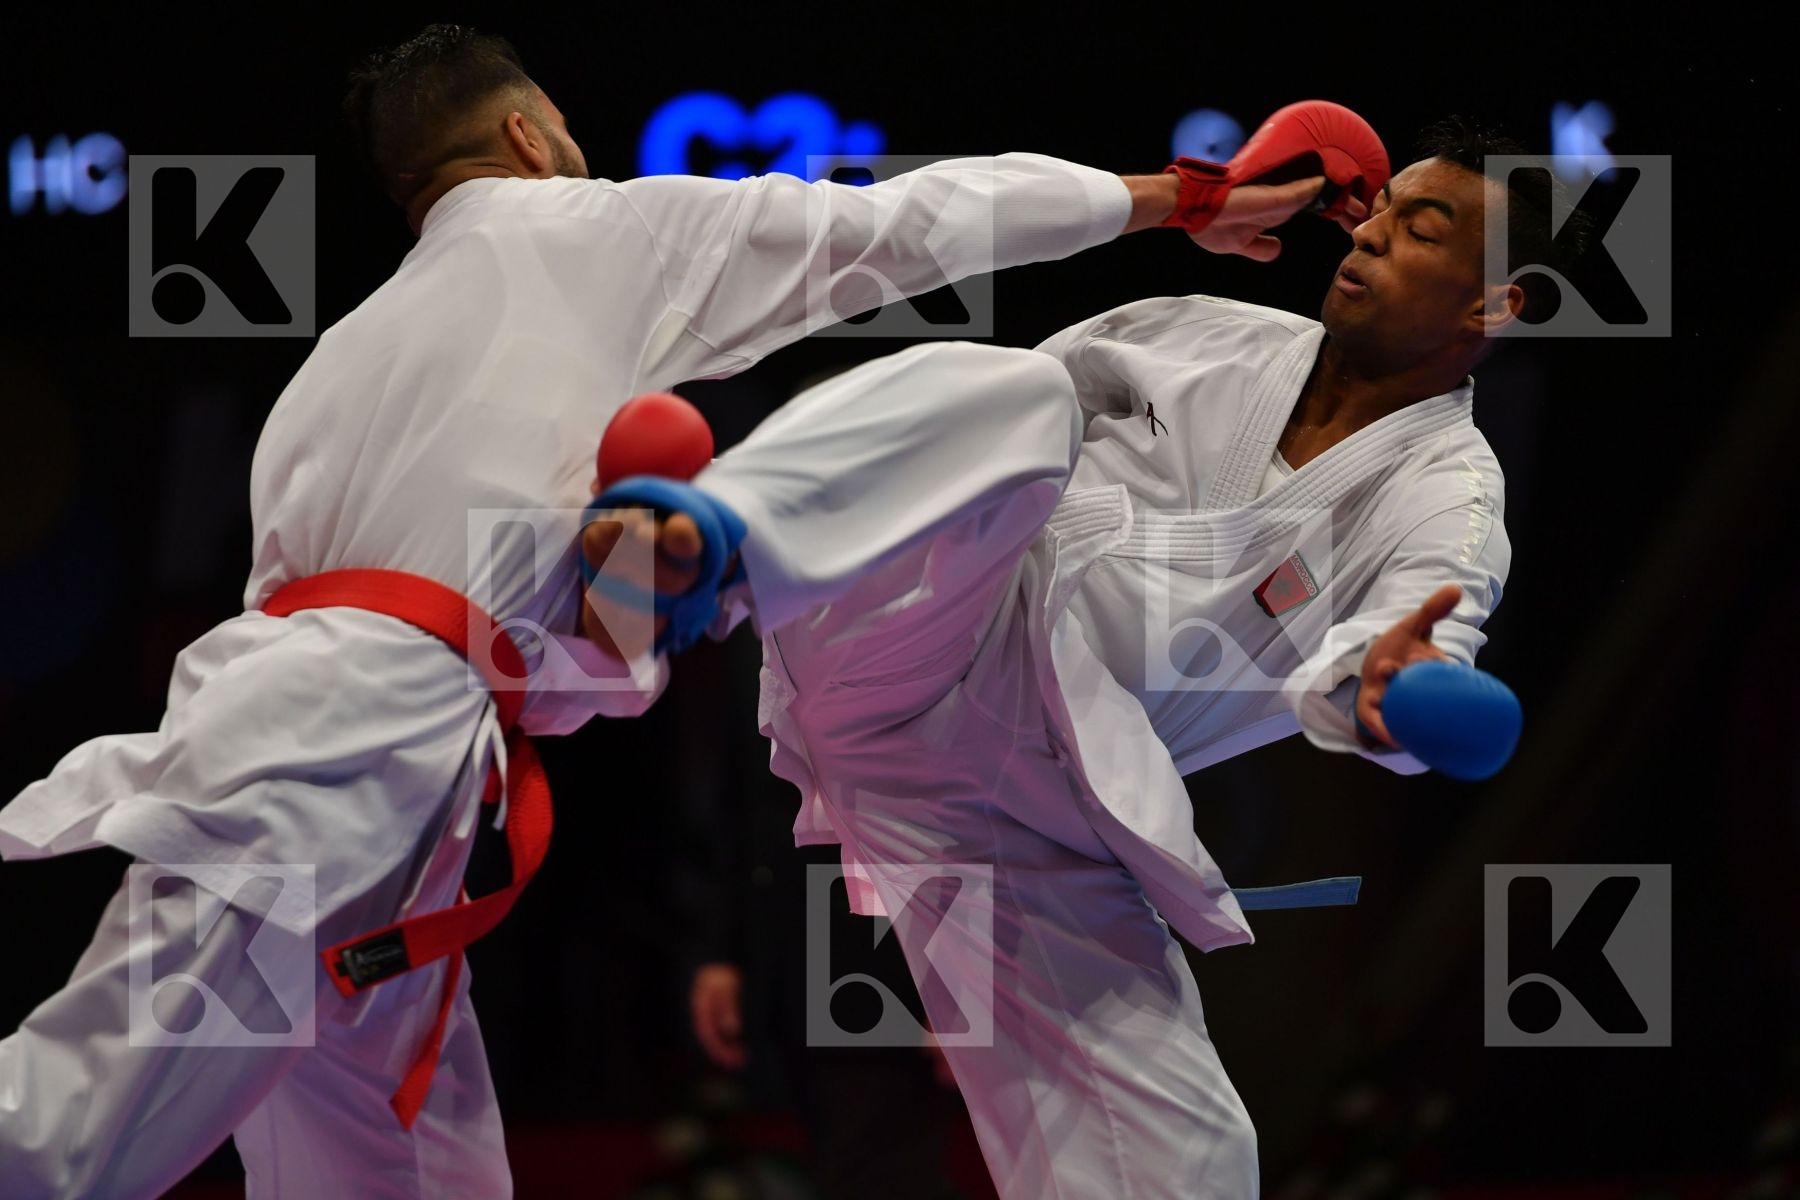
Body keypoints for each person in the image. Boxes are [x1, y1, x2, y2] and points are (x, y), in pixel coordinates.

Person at [0, 22, 1341, 1198]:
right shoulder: (592, 230)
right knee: (79, 1124)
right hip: (330, 760)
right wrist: (1177, 198)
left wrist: (621, 613)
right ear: (530, 136)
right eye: (570, 135)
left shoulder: (334, 366)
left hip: (378, 761)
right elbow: (906, 224)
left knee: (398, 1162)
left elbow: (478, 618)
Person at [588, 118, 1577, 1198]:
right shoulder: (1199, 333)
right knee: (1014, 396)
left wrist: (1385, 697)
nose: (1375, 234)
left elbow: (1414, 639)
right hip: (916, 631)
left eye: (1421, 229)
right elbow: (941, 441)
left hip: (1033, 812)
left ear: (1495, 303)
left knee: (1193, 1161)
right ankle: (696, 546)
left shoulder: (1449, 495)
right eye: (1383, 208)